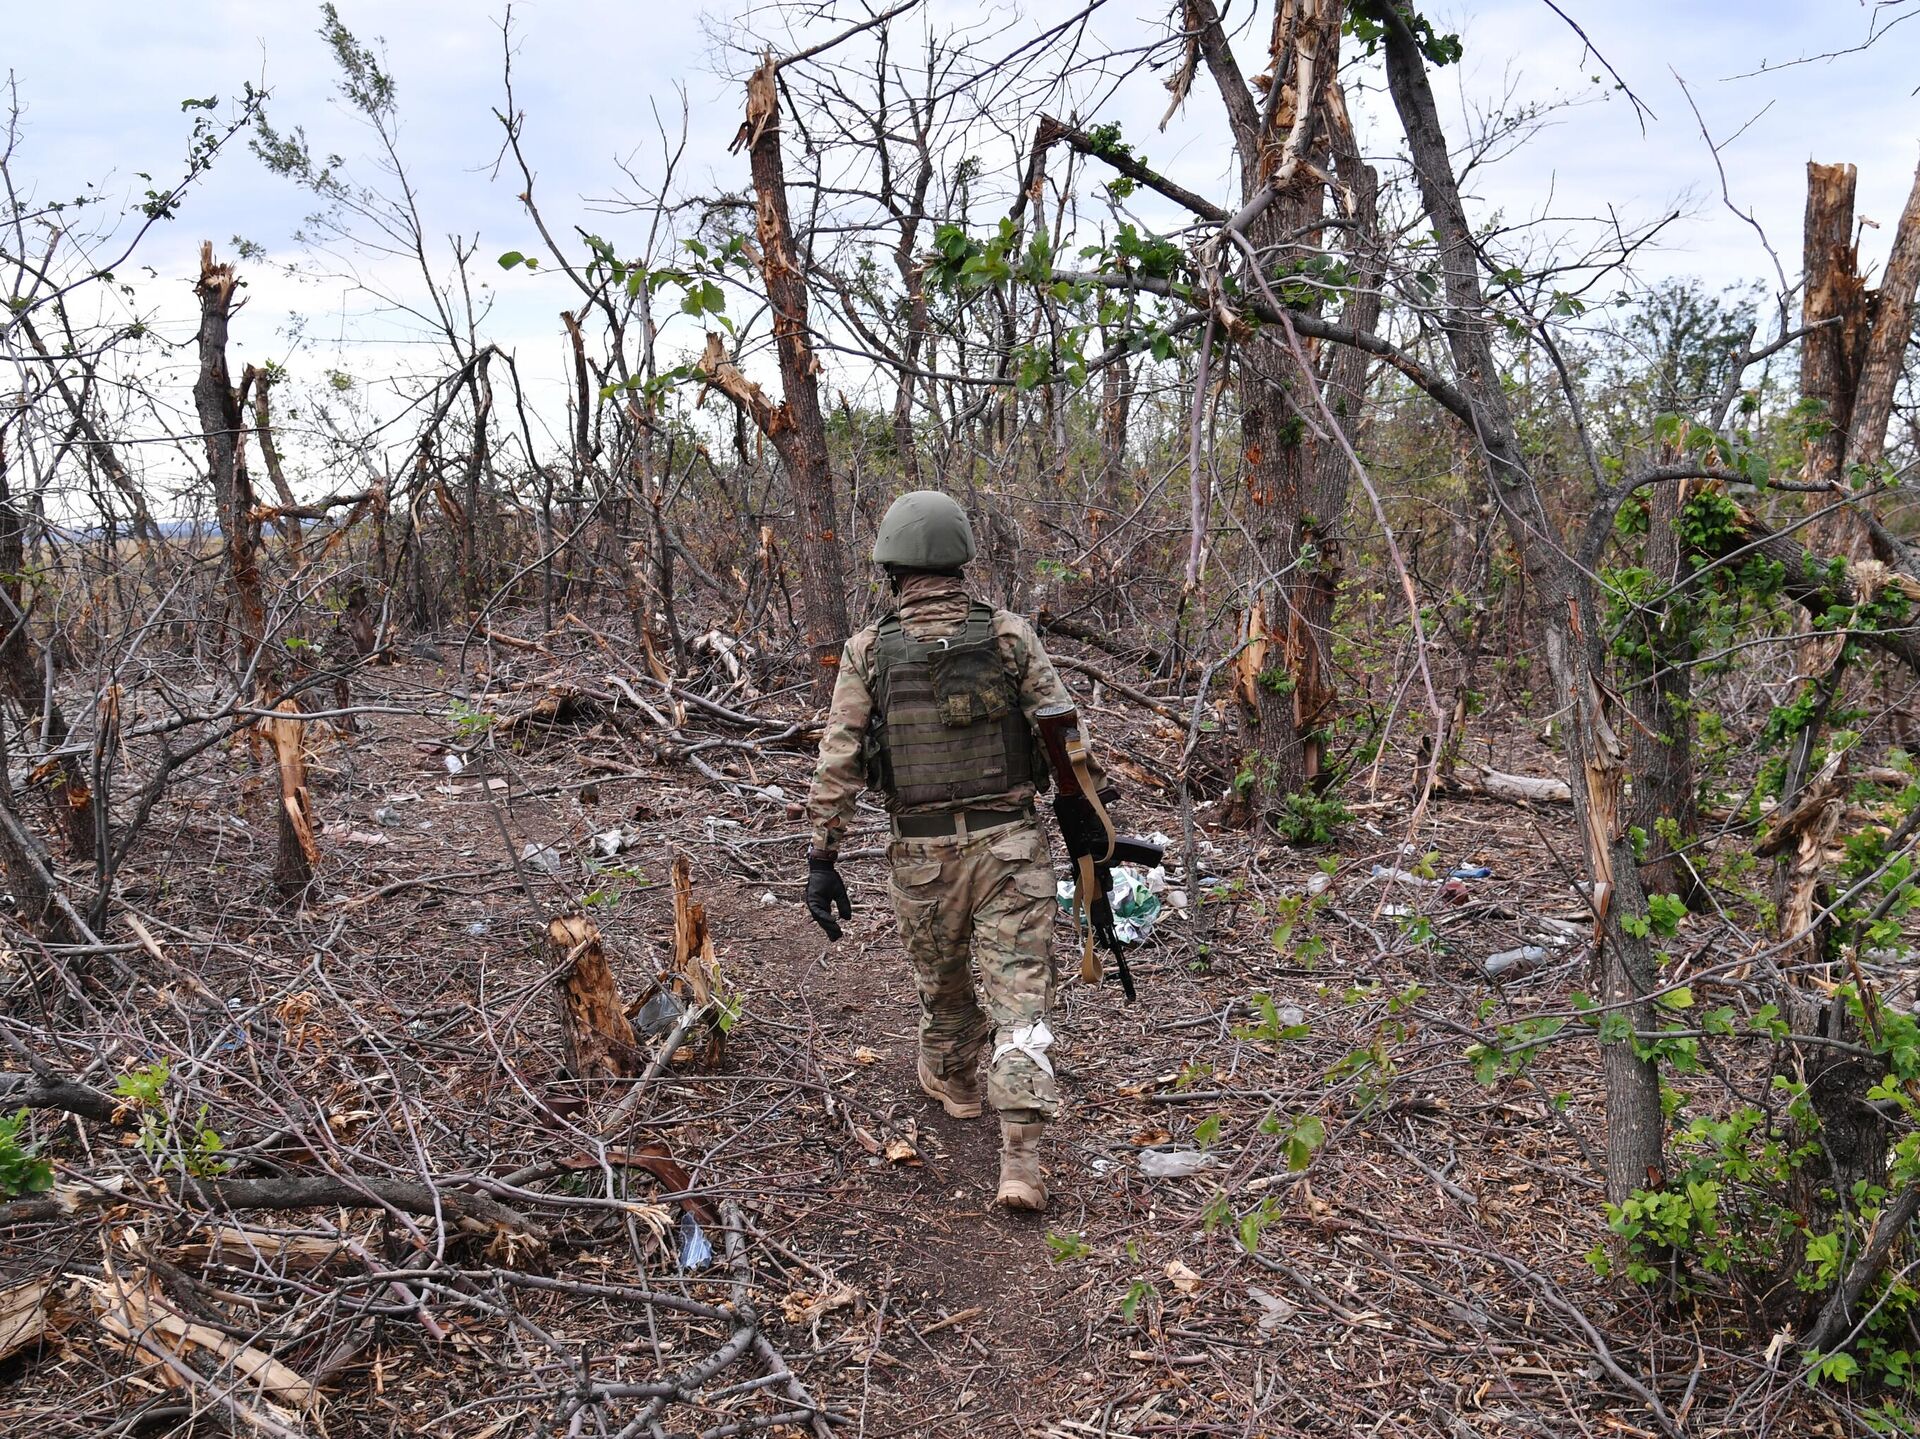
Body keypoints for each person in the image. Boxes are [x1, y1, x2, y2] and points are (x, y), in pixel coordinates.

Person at [801, 491, 1110, 1212]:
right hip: (1010, 847)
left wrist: (824, 854)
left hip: (922, 856)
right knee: (1020, 1003)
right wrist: (1086, 817)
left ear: (892, 566)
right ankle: (1017, 1159)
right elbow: (1065, 736)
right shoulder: (1008, 636)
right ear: (961, 558)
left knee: (943, 988)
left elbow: (839, 757)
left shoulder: (869, 650)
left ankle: (964, 1088)